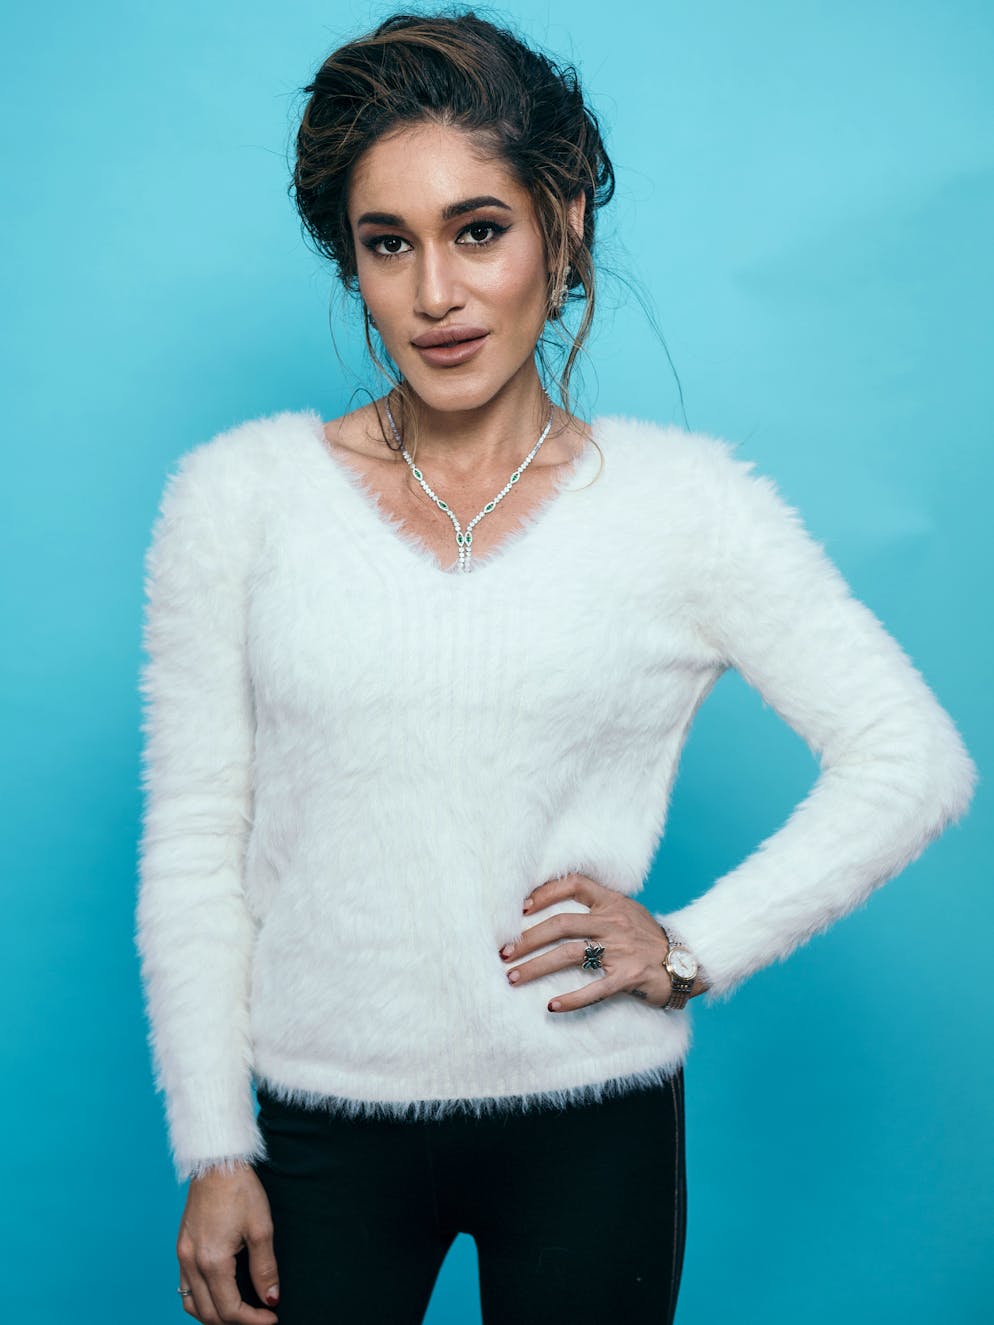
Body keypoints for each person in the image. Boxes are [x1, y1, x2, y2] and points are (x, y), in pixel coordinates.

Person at [135, 10, 978, 1325]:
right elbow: (197, 839)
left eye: (478, 230)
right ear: (351, 261)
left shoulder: (687, 506)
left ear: (562, 223)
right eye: (387, 243)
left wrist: (693, 948)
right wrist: (213, 1146)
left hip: (594, 1119)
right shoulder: (237, 497)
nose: (435, 293)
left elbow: (911, 759)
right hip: (319, 1125)